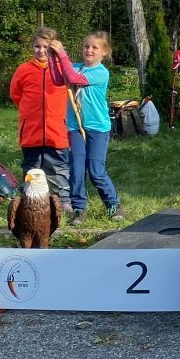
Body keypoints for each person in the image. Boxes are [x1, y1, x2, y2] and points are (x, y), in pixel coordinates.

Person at [49, 32, 123, 225]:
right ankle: (78, 208)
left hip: (97, 128)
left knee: (96, 171)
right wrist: (53, 56)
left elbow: (73, 78)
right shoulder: (75, 67)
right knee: (77, 169)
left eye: (94, 47)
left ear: (104, 52)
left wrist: (62, 53)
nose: (89, 50)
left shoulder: (100, 72)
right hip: (75, 127)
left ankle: (113, 204)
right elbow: (58, 79)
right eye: (86, 46)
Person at [9, 27, 72, 211]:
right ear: (32, 47)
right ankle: (31, 202)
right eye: (37, 46)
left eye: (46, 47)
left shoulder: (62, 69)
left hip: (57, 130)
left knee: (59, 168)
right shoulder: (24, 70)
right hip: (31, 131)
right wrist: (30, 111)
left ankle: (63, 201)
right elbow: (15, 94)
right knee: (31, 168)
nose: (41, 50)